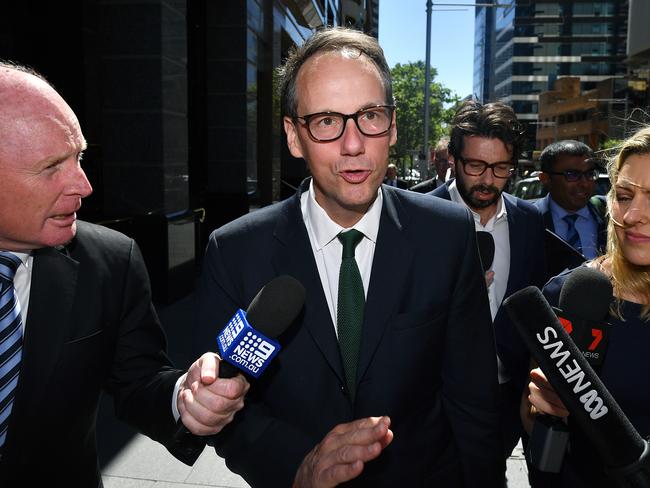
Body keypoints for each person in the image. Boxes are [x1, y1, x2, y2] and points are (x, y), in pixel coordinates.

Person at [195, 27, 504, 487]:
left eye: (370, 116)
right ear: (293, 137)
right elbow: (230, 408)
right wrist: (299, 466)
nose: (354, 144)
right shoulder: (235, 251)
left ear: (393, 126)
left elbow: (473, 398)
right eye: (325, 121)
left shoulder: (448, 234)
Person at [0, 62, 249, 486]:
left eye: (78, 157)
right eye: (51, 167)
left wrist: (183, 398)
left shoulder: (110, 261)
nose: (84, 185)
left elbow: (139, 383)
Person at [522, 126, 650, 488]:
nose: (633, 214)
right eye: (624, 196)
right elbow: (529, 417)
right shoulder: (571, 293)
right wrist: (542, 408)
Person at [428, 100, 547, 465]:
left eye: (500, 168)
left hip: (504, 402)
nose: (486, 179)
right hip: (433, 398)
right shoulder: (417, 217)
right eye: (475, 165)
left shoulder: (530, 219)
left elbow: (536, 309)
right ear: (453, 159)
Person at [536, 140, 607, 260]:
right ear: (545, 178)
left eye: (590, 174)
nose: (584, 183)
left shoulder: (608, 213)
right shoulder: (528, 220)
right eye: (572, 175)